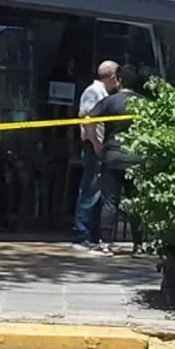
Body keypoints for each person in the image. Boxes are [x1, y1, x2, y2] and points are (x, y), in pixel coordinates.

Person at [86, 65, 142, 254]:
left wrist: (95, 142)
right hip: (136, 157)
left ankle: (106, 243)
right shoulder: (145, 103)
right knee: (136, 201)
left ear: (119, 80)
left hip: (112, 155)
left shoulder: (110, 102)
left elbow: (88, 119)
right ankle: (139, 244)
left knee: (110, 201)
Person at [72, 60, 117, 249]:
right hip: (93, 147)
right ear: (113, 77)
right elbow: (88, 120)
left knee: (98, 189)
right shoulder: (93, 92)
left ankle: (92, 233)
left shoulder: (105, 94)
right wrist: (96, 144)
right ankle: (81, 233)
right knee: (90, 188)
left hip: (99, 146)